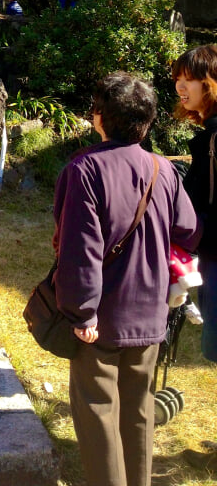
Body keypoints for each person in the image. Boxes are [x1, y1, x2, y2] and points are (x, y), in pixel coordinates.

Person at [53, 72, 200, 486]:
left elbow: (79, 249)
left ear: (98, 116)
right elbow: (187, 228)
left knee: (98, 410)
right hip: (151, 312)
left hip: (100, 318)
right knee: (138, 411)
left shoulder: (84, 169)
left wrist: (81, 313)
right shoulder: (162, 169)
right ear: (148, 122)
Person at [172, 46, 217, 472]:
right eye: (177, 79)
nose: (181, 87)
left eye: (190, 78)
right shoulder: (207, 134)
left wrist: (192, 230)